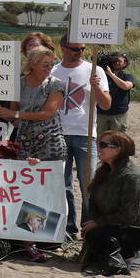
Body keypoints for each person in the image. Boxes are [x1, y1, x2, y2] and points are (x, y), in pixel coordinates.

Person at [0, 46, 66, 260]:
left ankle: (46, 240)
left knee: (46, 192)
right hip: (24, 141)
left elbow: (48, 113)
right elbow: (12, 115)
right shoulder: (19, 84)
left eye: (52, 64)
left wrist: (14, 113)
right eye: (45, 64)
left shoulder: (56, 85)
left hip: (49, 143)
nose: (50, 68)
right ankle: (27, 242)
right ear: (32, 63)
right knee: (26, 192)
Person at [51, 38, 111, 237]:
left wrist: (95, 87)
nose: (80, 52)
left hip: (85, 135)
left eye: (83, 48)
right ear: (64, 48)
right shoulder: (53, 71)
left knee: (89, 184)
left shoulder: (95, 71)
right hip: (58, 134)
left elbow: (106, 105)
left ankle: (88, 228)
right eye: (76, 49)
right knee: (62, 184)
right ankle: (69, 229)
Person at [82, 132, 140, 276]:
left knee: (98, 235)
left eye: (104, 145)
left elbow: (129, 215)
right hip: (116, 226)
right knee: (91, 233)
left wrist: (99, 223)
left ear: (118, 150)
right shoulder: (104, 172)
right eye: (99, 144)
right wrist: (93, 221)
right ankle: (120, 254)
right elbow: (93, 201)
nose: (99, 148)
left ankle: (131, 255)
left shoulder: (132, 176)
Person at [97, 52, 135, 135]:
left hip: (119, 113)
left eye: (119, 61)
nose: (116, 63)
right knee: (100, 138)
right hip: (101, 112)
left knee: (117, 139)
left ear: (125, 63)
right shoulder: (101, 75)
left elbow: (125, 86)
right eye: (114, 61)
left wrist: (110, 74)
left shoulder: (127, 76)